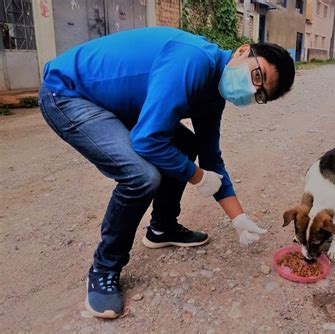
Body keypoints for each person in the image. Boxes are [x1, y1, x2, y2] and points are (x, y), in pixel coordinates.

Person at [38, 26, 295, 318]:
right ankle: (104, 267)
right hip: (68, 93)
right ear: (243, 51)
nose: (251, 89)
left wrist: (238, 217)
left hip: (110, 101)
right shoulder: (194, 60)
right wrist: (196, 176)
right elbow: (147, 140)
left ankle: (162, 228)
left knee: (187, 145)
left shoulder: (213, 96)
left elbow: (211, 156)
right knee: (141, 176)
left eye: (260, 94)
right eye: (257, 76)